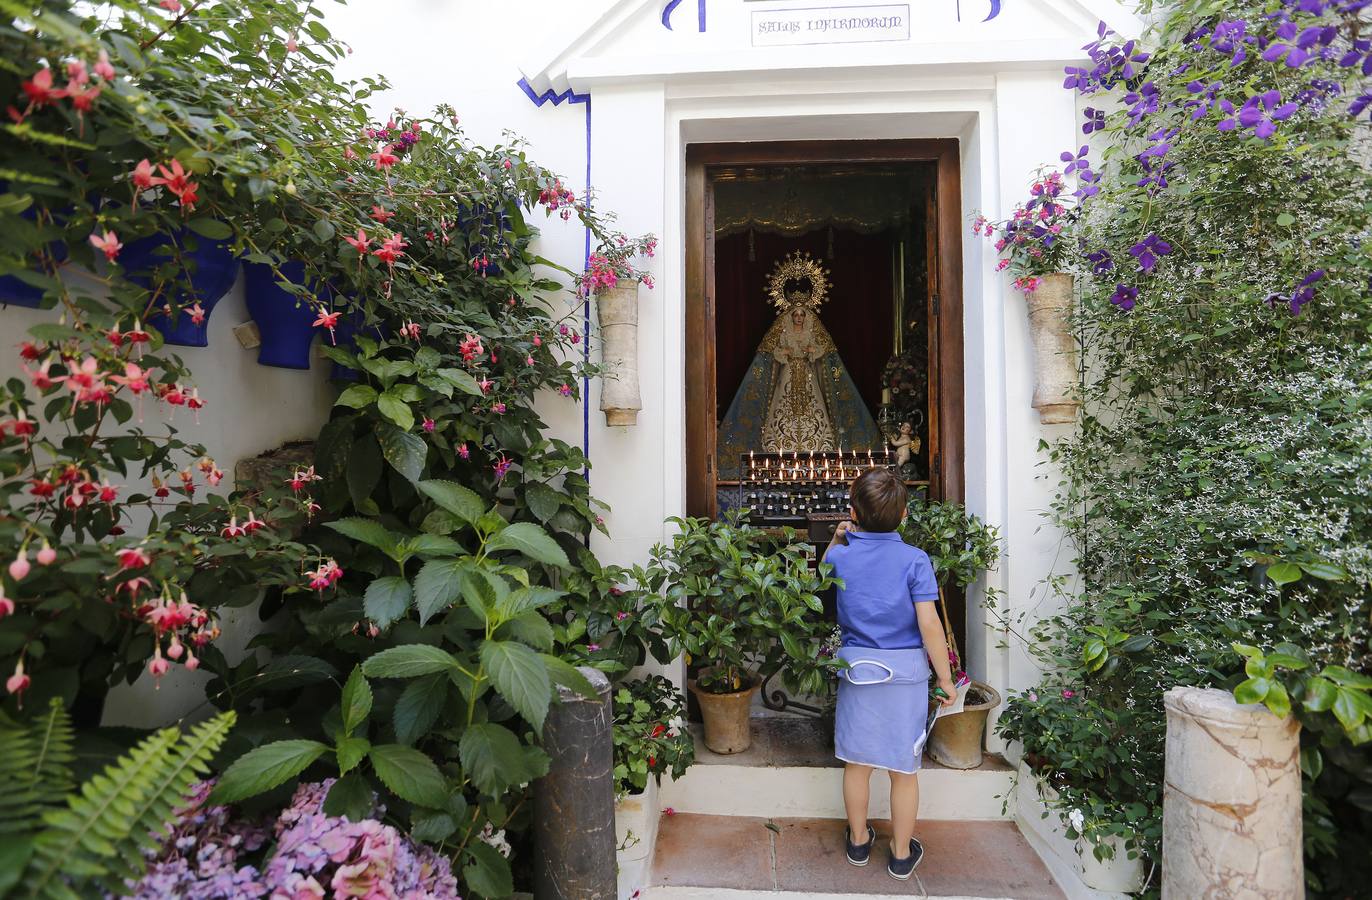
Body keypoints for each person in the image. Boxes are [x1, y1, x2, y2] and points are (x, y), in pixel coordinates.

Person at [822, 467, 957, 880]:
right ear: (903, 515)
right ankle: (900, 854)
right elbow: (930, 624)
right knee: (903, 770)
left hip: (858, 671)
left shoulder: (843, 555)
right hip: (905, 678)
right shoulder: (915, 560)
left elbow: (824, 572)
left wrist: (836, 537)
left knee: (857, 765)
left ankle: (859, 842)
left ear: (853, 512)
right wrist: (946, 680)